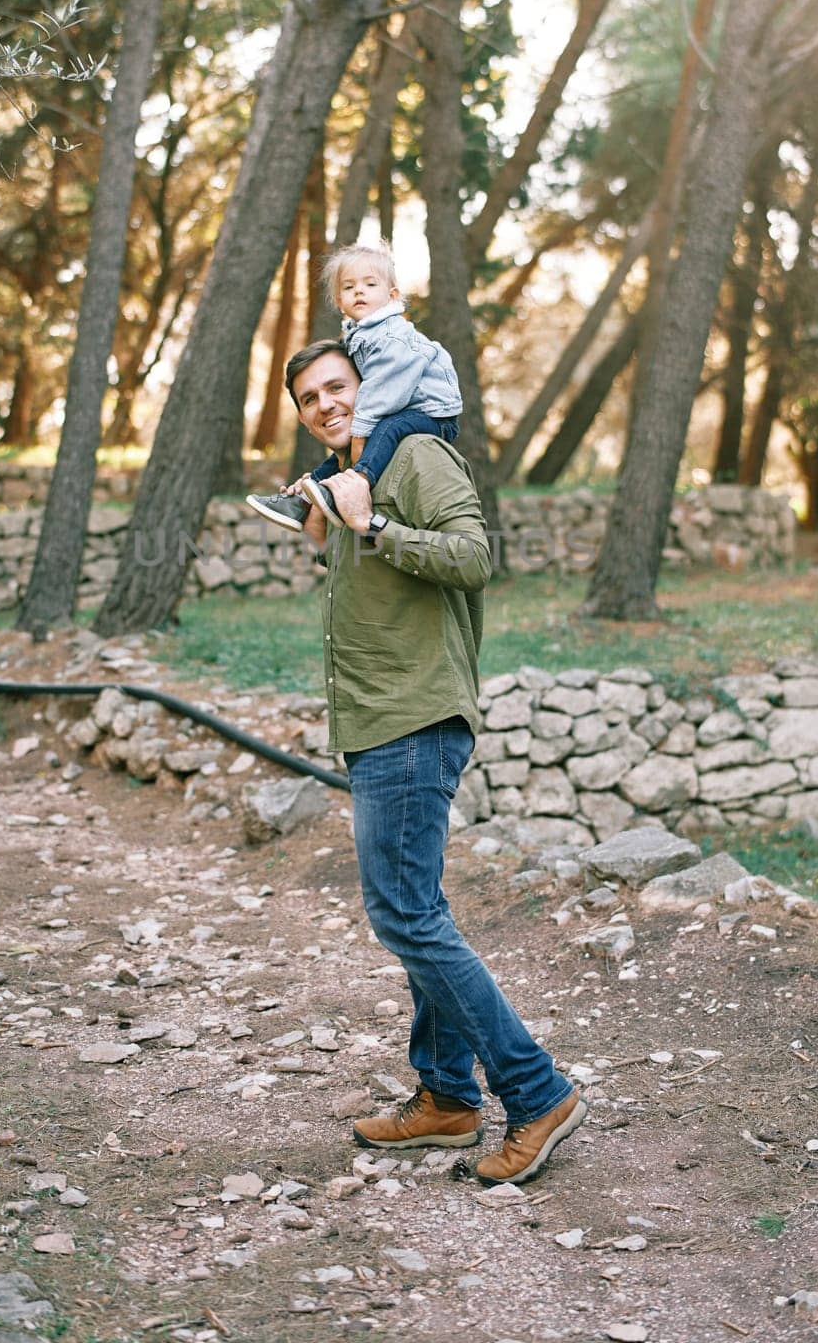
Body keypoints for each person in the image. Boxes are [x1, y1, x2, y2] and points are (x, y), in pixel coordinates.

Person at [284, 337, 586, 1186]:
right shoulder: (349, 472)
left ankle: (537, 1092)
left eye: (337, 387)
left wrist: (372, 523)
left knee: (404, 915)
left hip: (415, 719)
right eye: (310, 398)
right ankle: (449, 1099)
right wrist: (333, 526)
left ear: (367, 385)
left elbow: (472, 558)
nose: (326, 405)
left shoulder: (413, 453)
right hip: (378, 720)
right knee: (415, 907)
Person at [246, 241, 462, 533]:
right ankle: (305, 499)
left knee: (386, 430)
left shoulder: (393, 337)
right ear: (339, 301)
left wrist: (360, 433)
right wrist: (320, 541)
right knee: (343, 460)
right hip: (401, 410)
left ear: (392, 295)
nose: (359, 291)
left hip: (432, 412)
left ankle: (359, 480)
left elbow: (383, 390)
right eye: (349, 287)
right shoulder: (359, 335)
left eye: (370, 284)